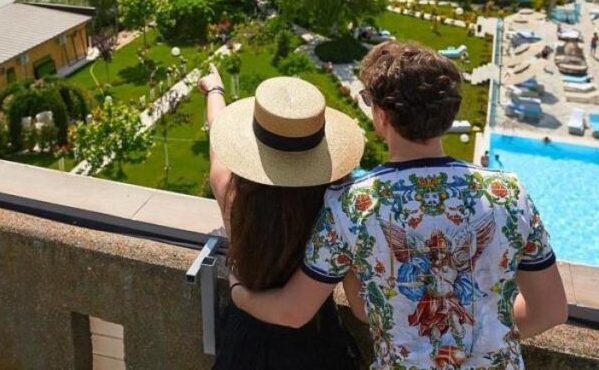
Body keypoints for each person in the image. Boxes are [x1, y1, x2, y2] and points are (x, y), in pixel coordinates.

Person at [230, 41, 567, 369]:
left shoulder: (352, 206)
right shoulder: (508, 193)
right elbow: (550, 311)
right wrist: (472, 343)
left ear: (382, 114)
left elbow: (296, 311)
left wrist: (238, 293)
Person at [198, 66, 364, 370]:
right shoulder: (335, 211)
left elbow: (217, 137)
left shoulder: (232, 192)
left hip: (245, 343)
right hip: (316, 343)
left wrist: (214, 90)